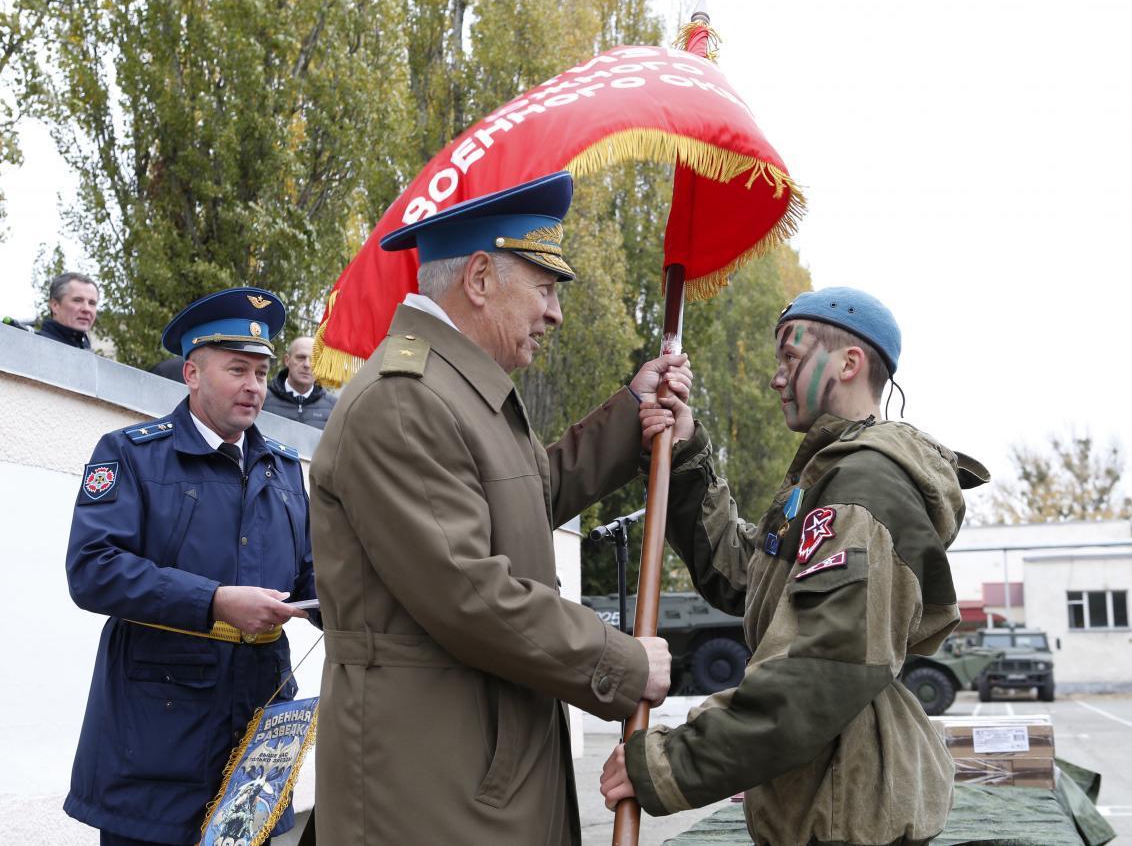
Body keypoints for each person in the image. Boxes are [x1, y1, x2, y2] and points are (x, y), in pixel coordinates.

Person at [309, 171, 687, 845]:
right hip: (432, 781)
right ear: (480, 279)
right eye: (543, 289)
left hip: (478, 761)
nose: (556, 312)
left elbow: (526, 497)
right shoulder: (406, 399)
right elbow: (467, 591)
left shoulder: (452, 388)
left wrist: (633, 411)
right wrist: (622, 663)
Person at [601, 286, 990, 846]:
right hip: (829, 800)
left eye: (791, 357)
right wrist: (686, 459)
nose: (777, 377)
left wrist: (668, 763)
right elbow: (744, 576)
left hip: (848, 814)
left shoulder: (867, 485)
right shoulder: (830, 477)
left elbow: (821, 670)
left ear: (850, 362)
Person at [63, 286, 317, 846]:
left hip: (258, 732)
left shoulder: (283, 468)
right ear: (192, 374)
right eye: (237, 370)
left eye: (260, 372)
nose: (253, 387)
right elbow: (93, 568)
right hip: (157, 739)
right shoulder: (130, 454)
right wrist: (214, 601)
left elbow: (309, 574)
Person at [262, 335, 338, 428]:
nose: (307, 365)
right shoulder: (262, 398)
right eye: (301, 357)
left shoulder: (334, 407)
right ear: (287, 360)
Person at [38, 271, 99, 349]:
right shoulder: (32, 347)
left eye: (92, 303)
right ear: (55, 306)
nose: (87, 309)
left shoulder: (89, 355)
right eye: (77, 300)